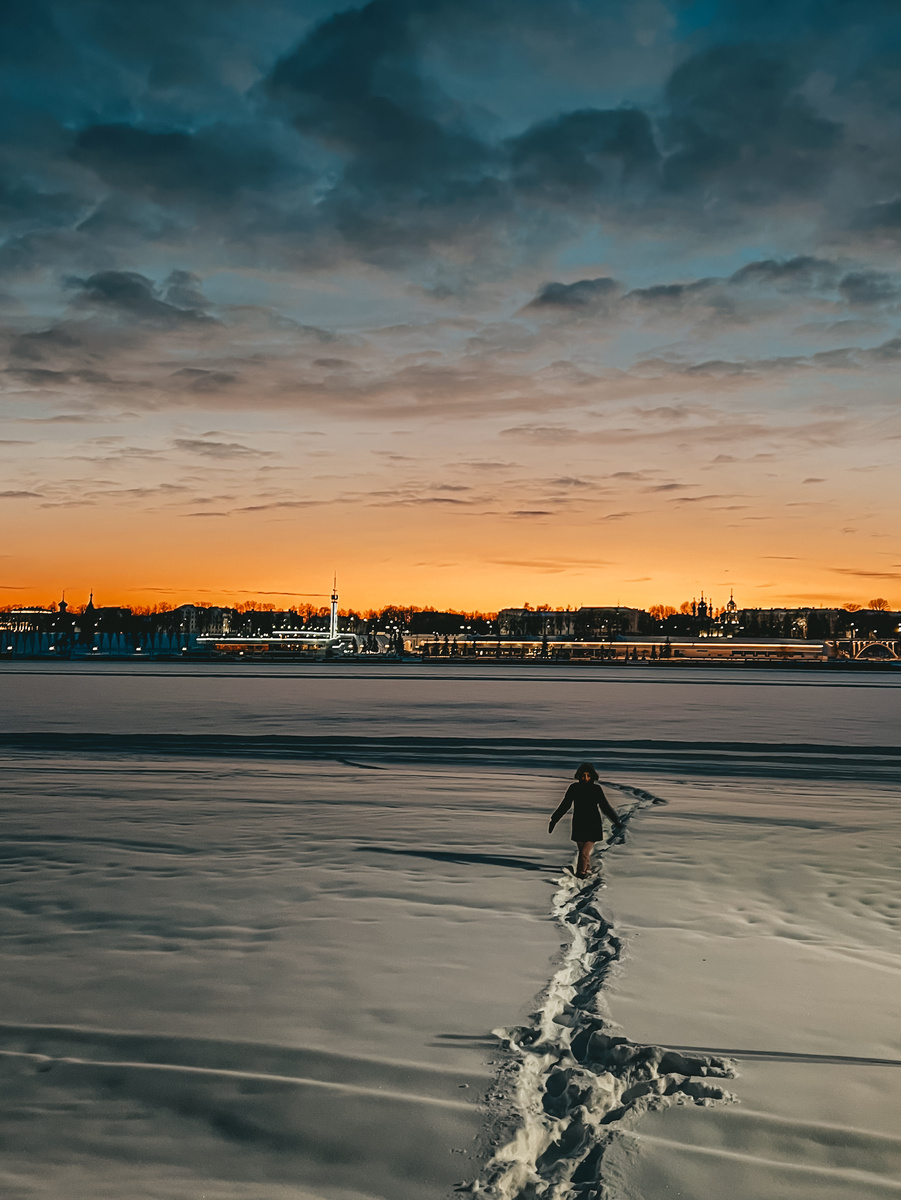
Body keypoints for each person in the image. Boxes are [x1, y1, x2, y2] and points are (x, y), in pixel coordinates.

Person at [548, 762, 622, 878]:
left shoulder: (596, 789)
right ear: (579, 775)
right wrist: (554, 819)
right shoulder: (574, 788)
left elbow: (605, 806)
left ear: (592, 776)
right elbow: (565, 805)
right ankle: (587, 869)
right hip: (579, 823)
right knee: (583, 851)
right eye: (583, 775)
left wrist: (615, 821)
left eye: (588, 775)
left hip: (593, 824)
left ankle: (581, 874)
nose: (585, 778)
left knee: (584, 852)